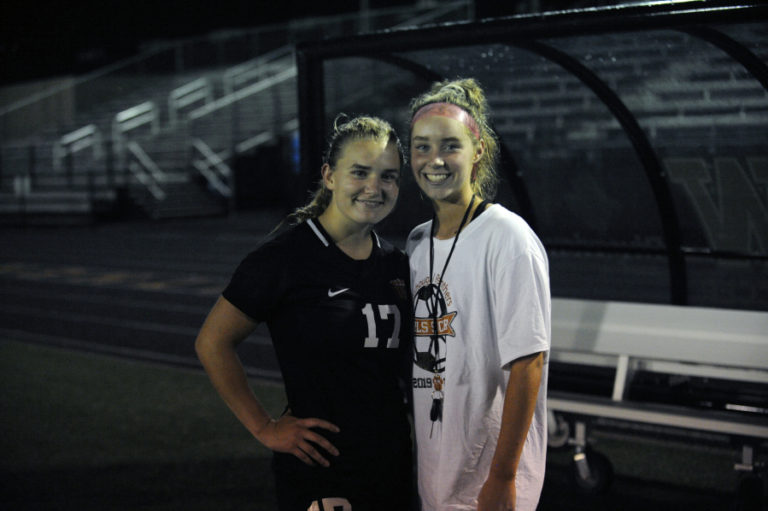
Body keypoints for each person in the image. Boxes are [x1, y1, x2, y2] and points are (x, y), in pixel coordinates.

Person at [195, 115, 414, 511]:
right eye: (360, 172)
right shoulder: (284, 258)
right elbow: (212, 342)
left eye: (388, 176)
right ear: (329, 176)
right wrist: (264, 427)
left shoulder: (396, 263)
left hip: (393, 461)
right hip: (322, 466)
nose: (374, 188)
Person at [405, 78, 551, 511]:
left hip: (491, 482)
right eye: (421, 146)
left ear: (478, 150)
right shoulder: (417, 242)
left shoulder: (507, 237)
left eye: (450, 145)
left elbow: (529, 363)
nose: (435, 160)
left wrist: (503, 477)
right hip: (438, 476)